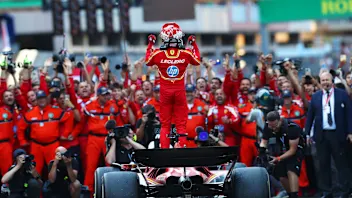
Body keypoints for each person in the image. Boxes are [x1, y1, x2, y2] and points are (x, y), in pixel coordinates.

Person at [145, 22, 201, 148]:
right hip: (180, 92)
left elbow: (148, 61)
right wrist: (193, 44)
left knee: (165, 125)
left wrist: (150, 43)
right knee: (181, 125)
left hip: (165, 93)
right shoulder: (185, 53)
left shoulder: (158, 54)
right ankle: (181, 149)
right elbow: (197, 60)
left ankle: (165, 152)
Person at [305, 71, 352, 198]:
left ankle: (344, 190)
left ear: (331, 81)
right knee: (323, 164)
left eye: (327, 80)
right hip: (322, 135)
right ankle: (326, 191)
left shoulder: (342, 95)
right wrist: (308, 134)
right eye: (323, 80)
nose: (325, 82)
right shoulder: (316, 96)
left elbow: (349, 114)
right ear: (320, 82)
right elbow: (310, 117)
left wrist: (350, 132)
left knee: (341, 164)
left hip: (338, 134)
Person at [17, 90, 71, 175]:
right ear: (36, 100)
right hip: (36, 145)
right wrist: (22, 140)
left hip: (52, 144)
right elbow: (20, 127)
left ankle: (55, 187)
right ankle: (36, 187)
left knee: (55, 168)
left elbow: (69, 118)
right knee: (34, 169)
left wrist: (65, 134)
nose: (41, 100)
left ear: (46, 99)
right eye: (39, 99)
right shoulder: (30, 113)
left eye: (43, 98)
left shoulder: (56, 110)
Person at [259, 111, 304, 198]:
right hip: (280, 148)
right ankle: (290, 194)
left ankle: (295, 194)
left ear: (280, 120)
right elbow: (264, 141)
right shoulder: (268, 127)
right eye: (271, 126)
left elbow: (292, 150)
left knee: (291, 169)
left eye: (275, 126)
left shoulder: (292, 128)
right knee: (281, 175)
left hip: (295, 149)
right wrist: (262, 152)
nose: (273, 129)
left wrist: (278, 158)